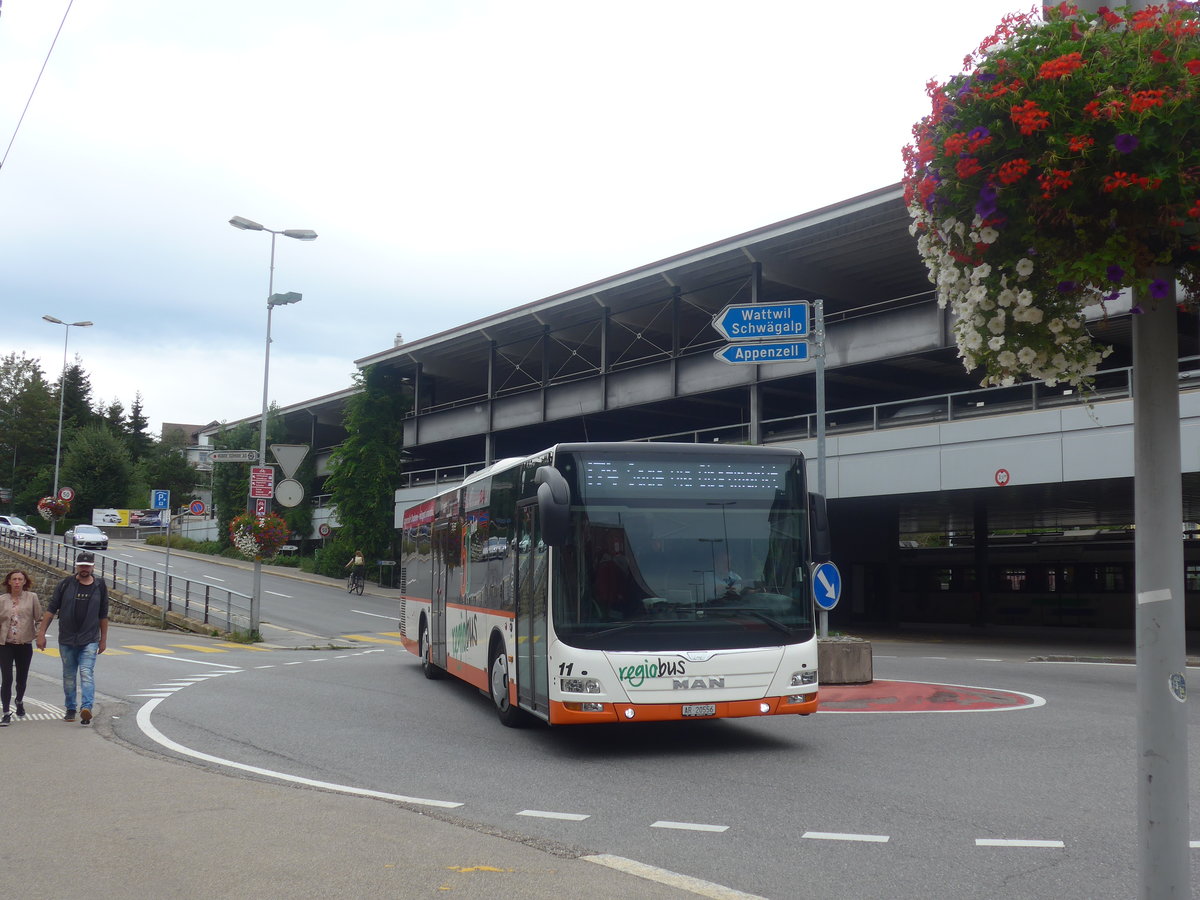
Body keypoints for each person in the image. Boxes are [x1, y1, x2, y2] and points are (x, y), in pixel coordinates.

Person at [36, 551, 109, 726]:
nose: (84, 569)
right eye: (81, 566)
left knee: (86, 673)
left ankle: (86, 708)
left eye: (87, 566)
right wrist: (41, 633)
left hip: (90, 639)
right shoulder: (65, 584)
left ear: (92, 567)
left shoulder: (100, 585)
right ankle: (70, 708)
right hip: (67, 639)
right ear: (76, 566)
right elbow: (51, 610)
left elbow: (103, 614)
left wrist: (103, 639)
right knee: (69, 676)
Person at [0, 569, 42, 726]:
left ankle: (19, 700)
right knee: (6, 678)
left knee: (21, 679)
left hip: (24, 644)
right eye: (14, 579)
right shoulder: (2, 599)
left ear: (25, 582)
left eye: (20, 579)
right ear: (9, 582)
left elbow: (39, 618)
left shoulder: (32, 598)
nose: (17, 582)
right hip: (5, 644)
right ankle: (5, 712)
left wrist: (39, 635)